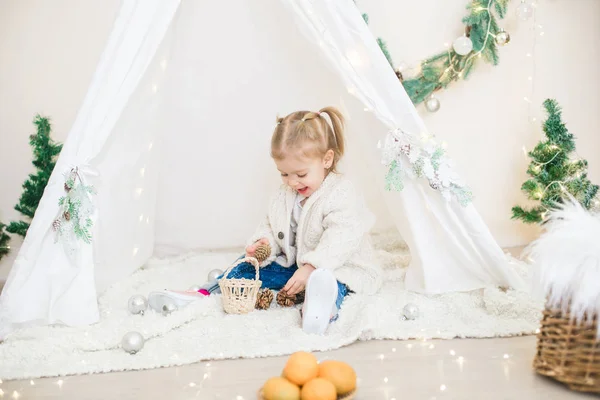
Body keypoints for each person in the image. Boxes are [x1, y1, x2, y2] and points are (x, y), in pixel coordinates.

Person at [150, 107, 382, 335]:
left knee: (330, 282)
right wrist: (264, 245)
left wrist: (312, 267)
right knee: (246, 267)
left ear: (327, 159)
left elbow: (342, 235)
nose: (292, 182)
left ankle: (322, 308)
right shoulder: (285, 194)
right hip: (296, 266)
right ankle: (204, 294)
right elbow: (272, 224)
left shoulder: (341, 193)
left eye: (300, 174)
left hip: (338, 266)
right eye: (284, 173)